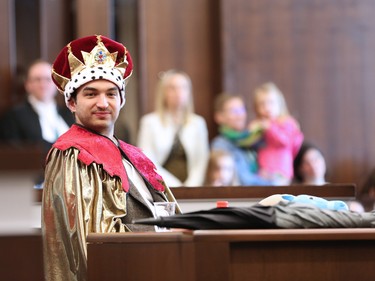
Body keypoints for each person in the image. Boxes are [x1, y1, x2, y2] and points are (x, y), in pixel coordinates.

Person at [42, 35, 180, 281]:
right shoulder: (72, 153)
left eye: (111, 94)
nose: (103, 103)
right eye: (91, 94)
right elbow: (86, 243)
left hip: (162, 266)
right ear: (72, 103)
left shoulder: (134, 154)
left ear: (122, 100)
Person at [137, 69, 209, 187]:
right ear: (163, 92)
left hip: (193, 189)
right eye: (172, 88)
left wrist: (190, 187)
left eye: (183, 87)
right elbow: (147, 161)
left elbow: (201, 162)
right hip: (161, 188)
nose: (178, 92)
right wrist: (175, 186)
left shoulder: (198, 123)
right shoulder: (149, 122)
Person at [0, 59, 74, 154]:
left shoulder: (70, 113)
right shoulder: (14, 116)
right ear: (27, 85)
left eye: (48, 79)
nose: (43, 85)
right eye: (37, 79)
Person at [211, 93, 271, 185]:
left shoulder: (251, 140)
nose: (240, 116)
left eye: (241, 110)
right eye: (233, 111)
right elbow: (243, 180)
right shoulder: (220, 145)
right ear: (219, 117)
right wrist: (273, 182)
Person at [249, 82, 303, 185]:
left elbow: (285, 142)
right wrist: (252, 131)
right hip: (263, 170)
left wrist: (270, 128)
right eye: (262, 104)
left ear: (279, 104)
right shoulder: (259, 123)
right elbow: (251, 146)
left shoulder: (287, 122)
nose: (267, 107)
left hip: (281, 170)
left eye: (271, 102)